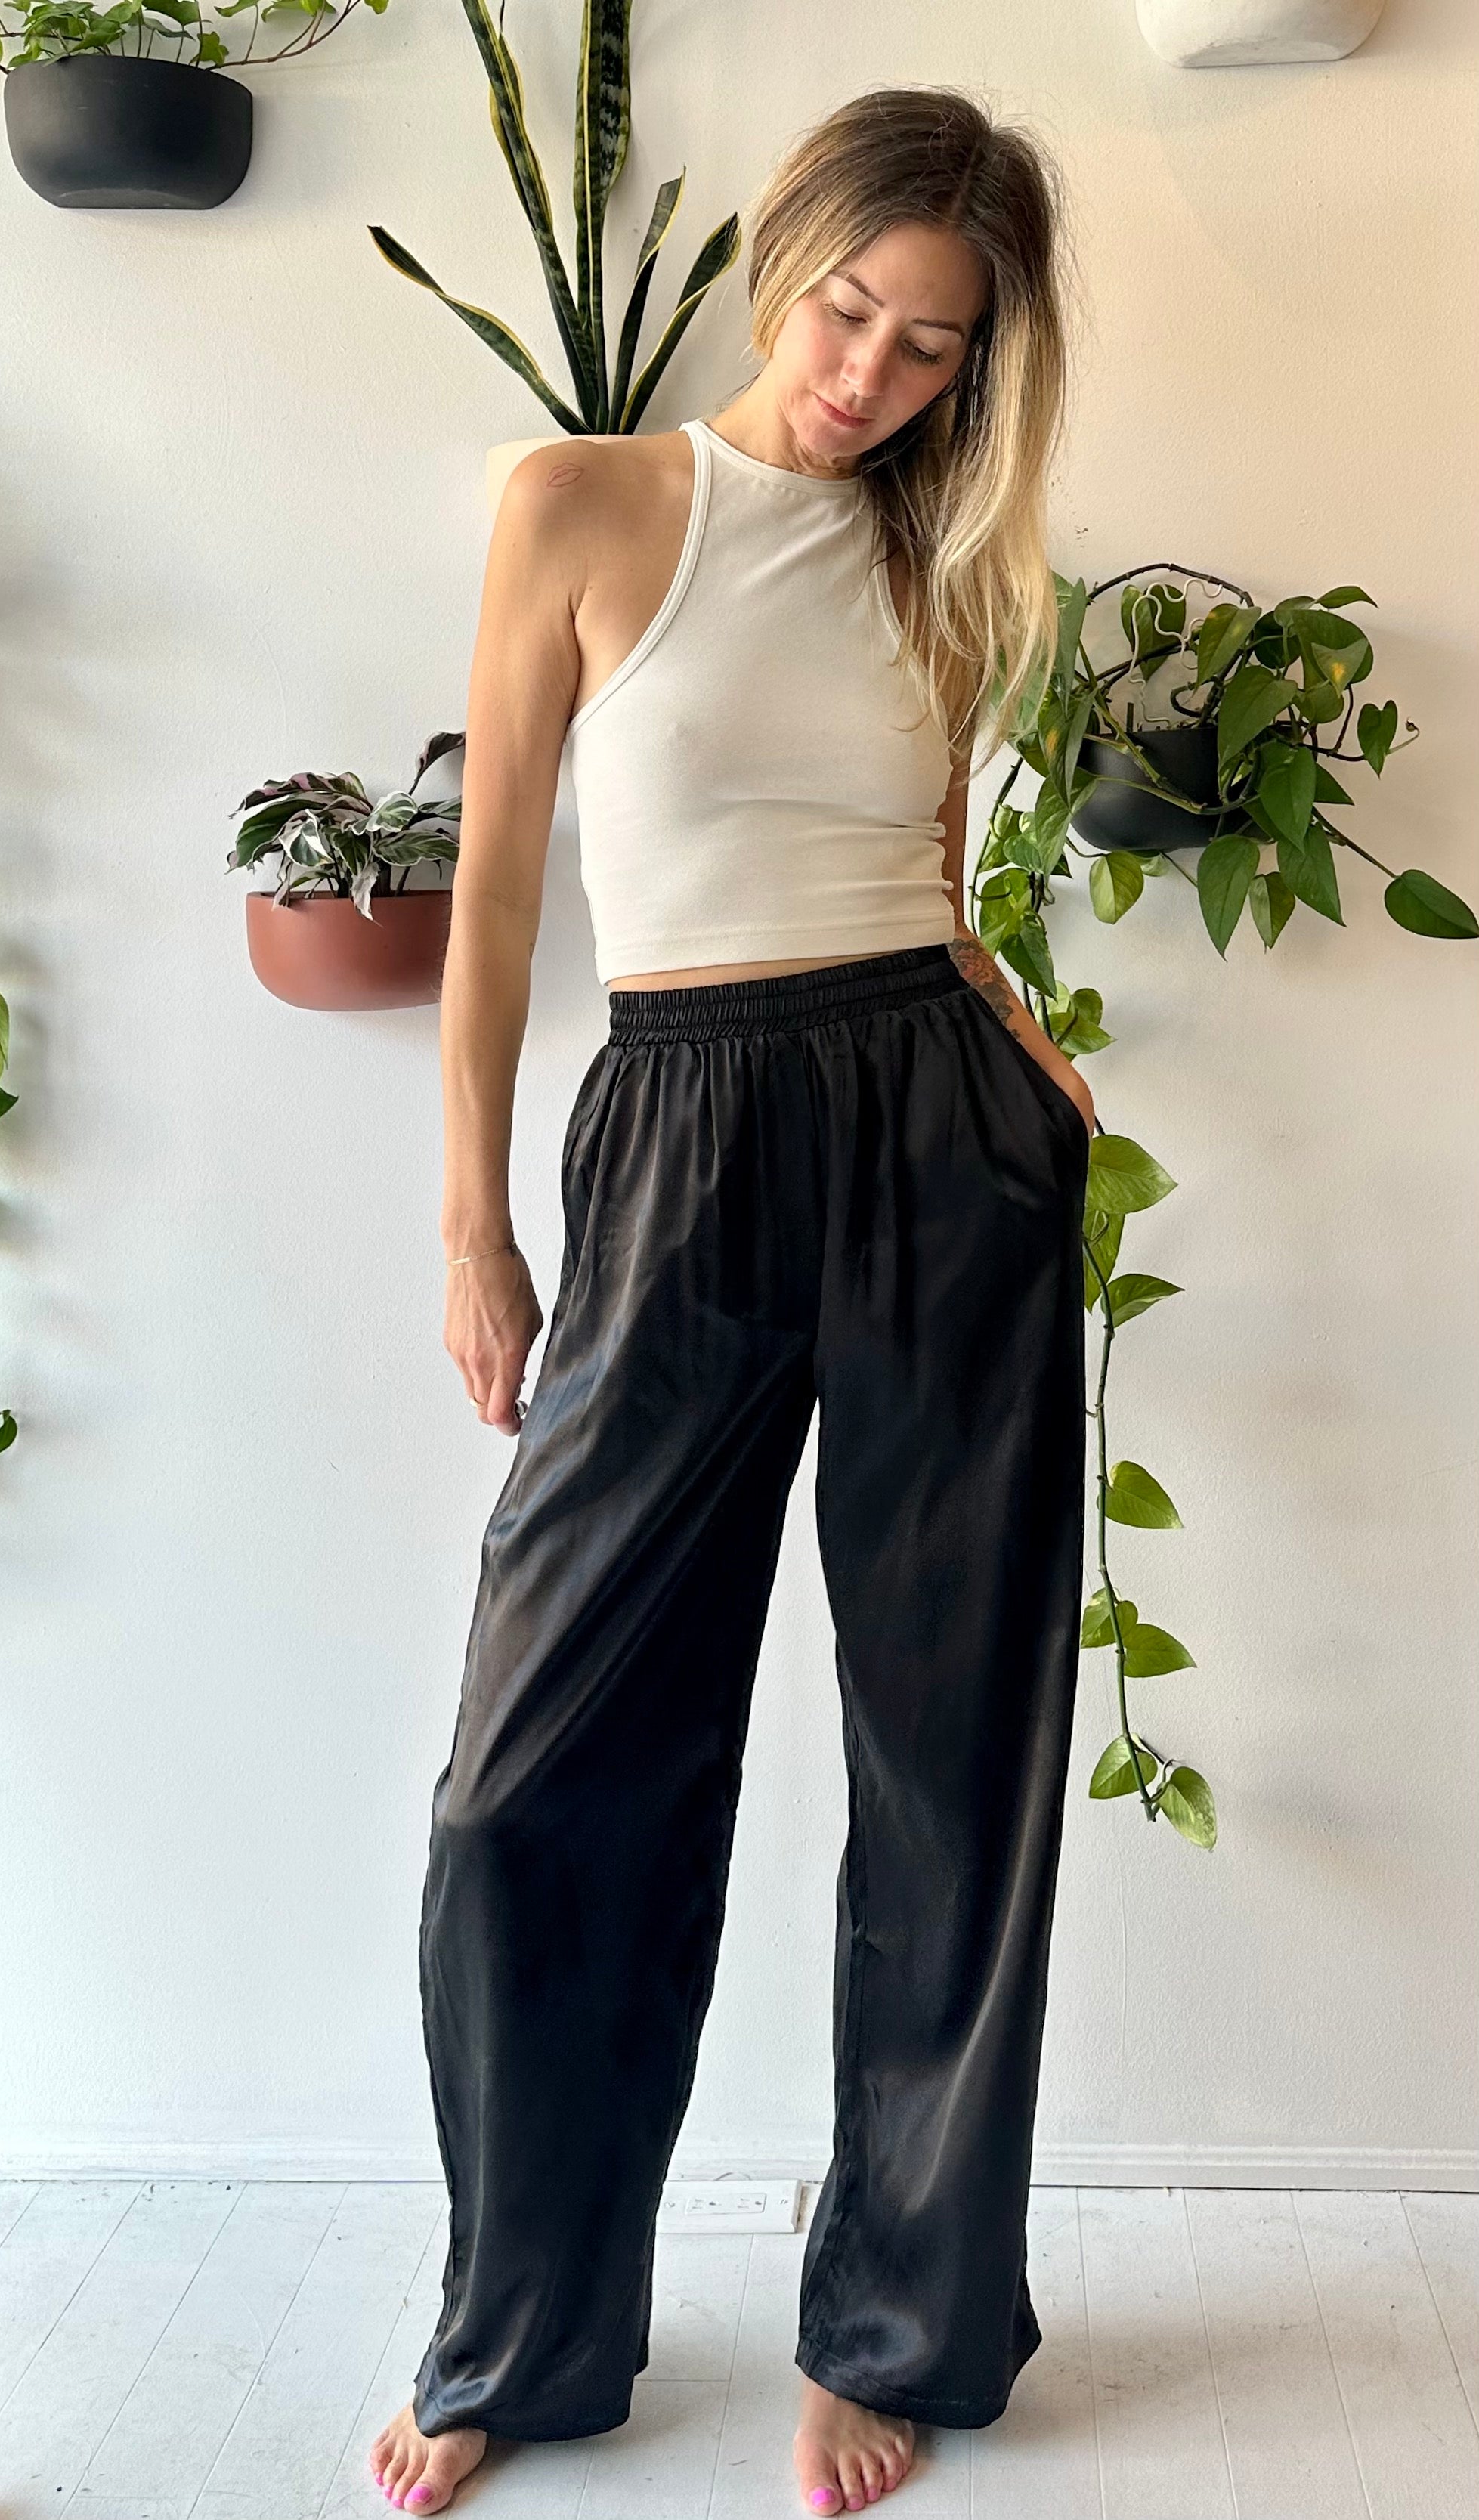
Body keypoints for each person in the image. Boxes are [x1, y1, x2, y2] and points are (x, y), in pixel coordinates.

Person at [370, 82, 1094, 2520]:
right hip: (675, 1132)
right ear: (784, 257)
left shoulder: (946, 557)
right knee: (533, 1775)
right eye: (849, 308)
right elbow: (496, 895)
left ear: (981, 367)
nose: (868, 373)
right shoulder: (581, 502)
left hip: (937, 1135)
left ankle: (897, 2317)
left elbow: (927, 876)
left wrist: (1019, 1052)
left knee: (953, 1758)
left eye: (932, 346)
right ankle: (524, 2328)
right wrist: (472, 1224)